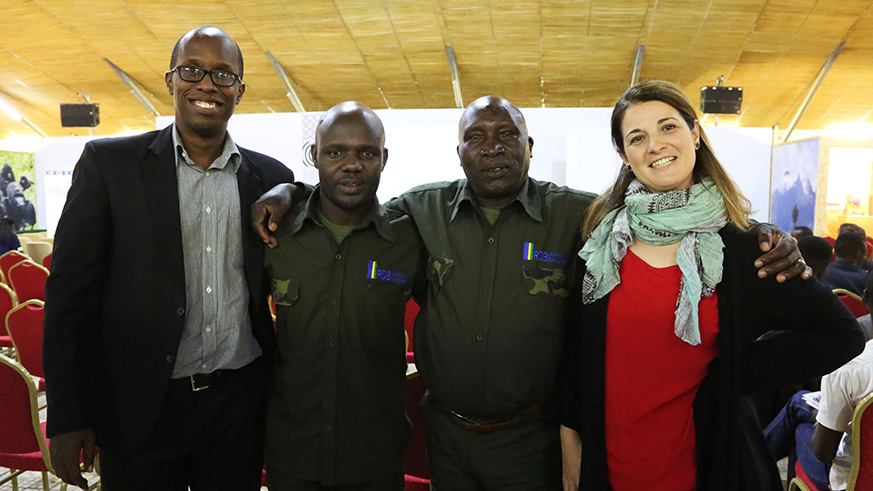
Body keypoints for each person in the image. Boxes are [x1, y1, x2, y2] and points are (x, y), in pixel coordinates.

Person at [253, 96, 808, 490]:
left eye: (506, 136)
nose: (492, 148)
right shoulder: (419, 212)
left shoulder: (582, 214)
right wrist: (288, 190)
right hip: (445, 437)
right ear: (459, 151)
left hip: (533, 440)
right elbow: (347, 199)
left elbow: (662, 208)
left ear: (529, 145)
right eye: (476, 137)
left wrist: (763, 235)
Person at [555, 80, 864, 491]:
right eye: (637, 137)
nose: (656, 145)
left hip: (705, 458)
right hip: (610, 459)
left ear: (695, 134)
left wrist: (731, 372)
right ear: (623, 154)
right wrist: (570, 445)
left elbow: (841, 335)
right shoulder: (599, 239)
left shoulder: (747, 246)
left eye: (668, 128)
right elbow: (578, 351)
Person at [43, 26, 294, 490]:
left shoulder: (271, 177)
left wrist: (295, 189)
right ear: (170, 80)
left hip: (238, 406)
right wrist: (66, 414)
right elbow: (68, 297)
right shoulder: (110, 165)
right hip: (139, 406)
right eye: (192, 70)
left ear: (240, 89)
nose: (206, 85)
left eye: (223, 75)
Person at [264, 102, 425, 490]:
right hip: (291, 454)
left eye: (366, 153)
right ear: (314, 155)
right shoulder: (274, 233)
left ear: (383, 159)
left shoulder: (409, 238)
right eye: (335, 152)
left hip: (375, 458)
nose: (351, 165)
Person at [765, 271, 873, 490]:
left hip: (854, 481)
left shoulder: (848, 366)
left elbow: (823, 453)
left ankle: (750, 467)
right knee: (799, 402)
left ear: (865, 297)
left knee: (799, 430)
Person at [822, 231, 868, 295]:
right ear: (858, 255)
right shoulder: (867, 279)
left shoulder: (821, 273)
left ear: (834, 251)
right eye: (865, 255)